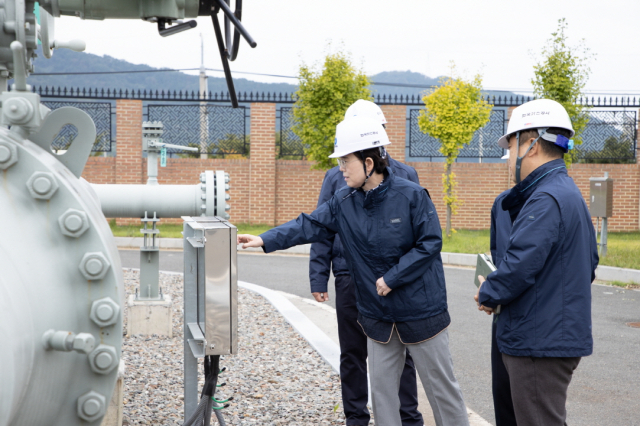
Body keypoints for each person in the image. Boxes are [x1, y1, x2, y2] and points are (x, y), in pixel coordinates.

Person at [239, 115, 469, 426]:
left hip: (422, 313)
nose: (341, 168)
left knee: (443, 394)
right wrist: (265, 239)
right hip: (377, 316)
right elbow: (308, 225)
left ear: (370, 163)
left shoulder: (412, 195)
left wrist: (393, 277)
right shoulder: (343, 201)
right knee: (384, 398)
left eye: (346, 160)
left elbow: (430, 244)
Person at [475, 99, 599, 426]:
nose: (509, 155)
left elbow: (518, 265)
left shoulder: (546, 198)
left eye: (512, 143)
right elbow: (590, 264)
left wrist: (488, 293)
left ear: (531, 143)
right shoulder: (565, 192)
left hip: (538, 343)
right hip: (548, 337)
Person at [309, 100, 423, 426]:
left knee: (402, 352)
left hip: (395, 279)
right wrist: (319, 277)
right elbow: (320, 229)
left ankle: (407, 418)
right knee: (353, 353)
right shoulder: (336, 177)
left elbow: (420, 235)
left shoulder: (406, 175)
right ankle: (356, 418)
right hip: (349, 277)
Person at [489, 186, 517, 426]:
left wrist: (490, 292)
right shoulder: (501, 202)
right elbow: (497, 253)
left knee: (536, 405)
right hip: (502, 312)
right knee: (502, 389)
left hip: (534, 316)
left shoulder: (551, 202)